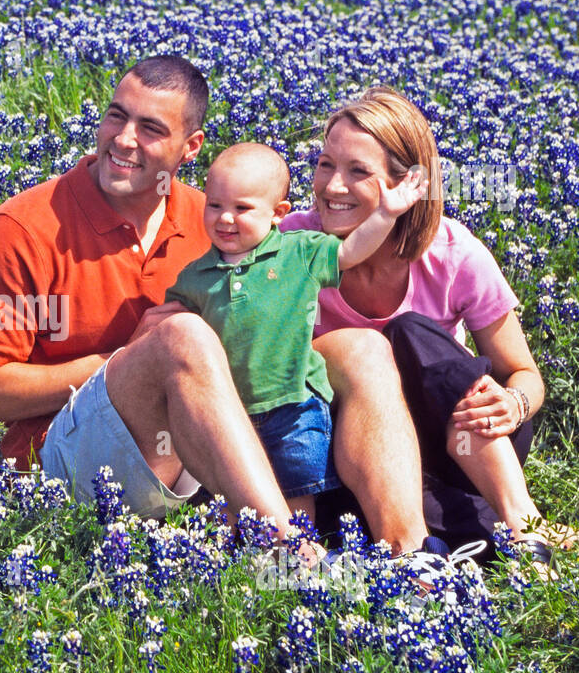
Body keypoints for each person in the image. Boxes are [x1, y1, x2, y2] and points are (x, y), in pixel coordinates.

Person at [0, 56, 447, 569]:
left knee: (362, 347)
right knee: (184, 335)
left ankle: (410, 556)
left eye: (150, 129)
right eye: (116, 116)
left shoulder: (217, 216)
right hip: (71, 463)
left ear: (191, 147)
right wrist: (127, 358)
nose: (123, 140)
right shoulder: (19, 230)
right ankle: (285, 553)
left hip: (207, 453)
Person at [282, 86, 579, 568]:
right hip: (363, 458)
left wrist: (513, 402)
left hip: (466, 438)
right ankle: (463, 546)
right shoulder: (290, 247)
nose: (332, 186)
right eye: (325, 164)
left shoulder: (452, 253)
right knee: (396, 527)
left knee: (408, 332)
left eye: (357, 171)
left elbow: (523, 372)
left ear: (408, 184)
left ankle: (521, 517)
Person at [164, 142, 423, 522]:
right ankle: (238, 570)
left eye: (242, 208)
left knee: (296, 492)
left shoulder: (299, 251)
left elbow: (351, 252)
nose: (225, 218)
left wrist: (385, 213)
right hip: (231, 410)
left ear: (278, 214)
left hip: (295, 404)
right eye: (215, 205)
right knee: (234, 494)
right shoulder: (194, 277)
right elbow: (174, 334)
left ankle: (297, 566)